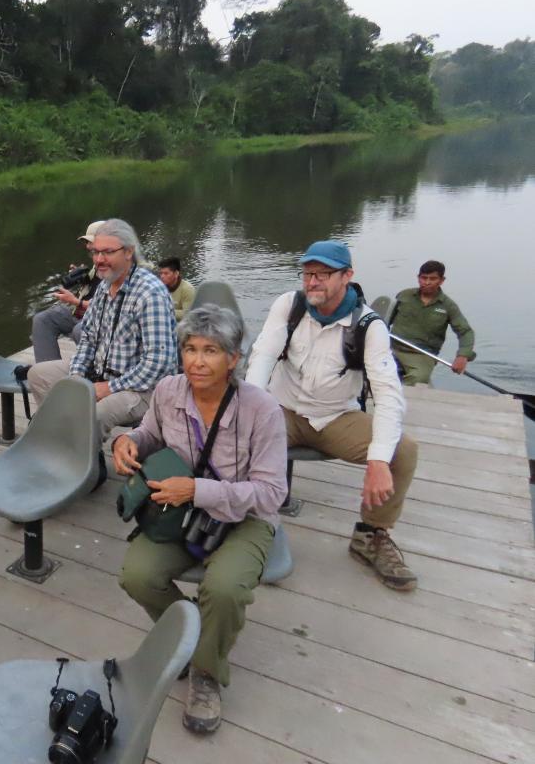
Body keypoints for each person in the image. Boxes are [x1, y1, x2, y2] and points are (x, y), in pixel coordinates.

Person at [115, 304, 287, 734]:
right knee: (137, 575)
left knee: (224, 588)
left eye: (211, 350)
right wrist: (126, 440)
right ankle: (192, 636)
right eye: (189, 348)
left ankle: (205, 673)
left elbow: (271, 493)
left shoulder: (261, 410)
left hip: (245, 516)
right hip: (181, 512)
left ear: (234, 358)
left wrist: (196, 490)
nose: (197, 360)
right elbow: (150, 434)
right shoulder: (169, 391)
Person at [246, 240, 418, 591]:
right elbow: (261, 359)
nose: (312, 282)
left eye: (323, 274)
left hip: (335, 418)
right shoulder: (289, 306)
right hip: (284, 410)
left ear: (347, 276)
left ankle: (371, 535)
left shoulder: (369, 326)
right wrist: (249, 414)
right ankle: (244, 527)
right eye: (308, 274)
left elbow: (388, 395)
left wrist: (379, 459)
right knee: (234, 435)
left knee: (402, 451)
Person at [27, 218, 177, 441]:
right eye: (95, 252)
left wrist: (109, 387)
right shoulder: (105, 286)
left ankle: (84, 463)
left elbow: (158, 363)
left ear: (128, 252)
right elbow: (87, 337)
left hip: (144, 388)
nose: (98, 260)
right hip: (102, 372)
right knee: (39, 375)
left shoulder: (150, 293)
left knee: (96, 413)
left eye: (107, 252)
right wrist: (77, 376)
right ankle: (70, 442)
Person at [388, 260, 476, 385]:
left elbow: (465, 332)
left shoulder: (448, 306)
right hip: (392, 348)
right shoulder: (404, 296)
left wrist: (463, 356)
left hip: (422, 355)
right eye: (424, 278)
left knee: (418, 379)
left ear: (441, 280)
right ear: (418, 278)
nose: (427, 282)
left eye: (432, 279)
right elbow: (384, 322)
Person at [30, 221, 104, 362]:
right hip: (80, 313)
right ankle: (47, 372)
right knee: (42, 320)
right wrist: (82, 277)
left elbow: (109, 305)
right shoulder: (97, 264)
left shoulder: (119, 268)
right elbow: (95, 285)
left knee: (79, 329)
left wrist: (76, 301)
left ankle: (93, 373)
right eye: (87, 242)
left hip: (98, 318)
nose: (87, 246)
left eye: (91, 242)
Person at [157, 256, 196, 323]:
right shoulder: (159, 287)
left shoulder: (187, 289)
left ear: (176, 274)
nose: (162, 276)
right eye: (161, 273)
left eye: (166, 273)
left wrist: (165, 310)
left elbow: (188, 314)